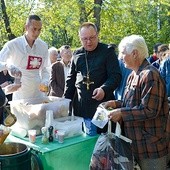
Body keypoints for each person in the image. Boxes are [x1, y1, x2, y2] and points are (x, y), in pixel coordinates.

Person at [104, 35, 170, 170]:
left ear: (134, 54)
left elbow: (149, 110)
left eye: (123, 53)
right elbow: (131, 103)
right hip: (135, 144)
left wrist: (121, 112)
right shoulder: (133, 74)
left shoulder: (150, 75)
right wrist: (116, 104)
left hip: (151, 148)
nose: (120, 57)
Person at [63, 22, 122, 135]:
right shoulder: (77, 54)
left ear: (97, 35)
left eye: (92, 38)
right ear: (80, 38)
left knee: (101, 139)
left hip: (102, 107)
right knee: (82, 140)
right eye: (84, 39)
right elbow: (70, 81)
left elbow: (116, 76)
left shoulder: (107, 51)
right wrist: (65, 102)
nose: (88, 42)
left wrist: (104, 89)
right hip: (80, 107)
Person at [0, 14, 50, 100]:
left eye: (39, 30)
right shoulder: (13, 45)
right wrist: (8, 65)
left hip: (38, 94)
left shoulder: (43, 46)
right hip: (20, 94)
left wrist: (45, 81)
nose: (37, 33)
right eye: (34, 29)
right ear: (26, 27)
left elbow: (45, 68)